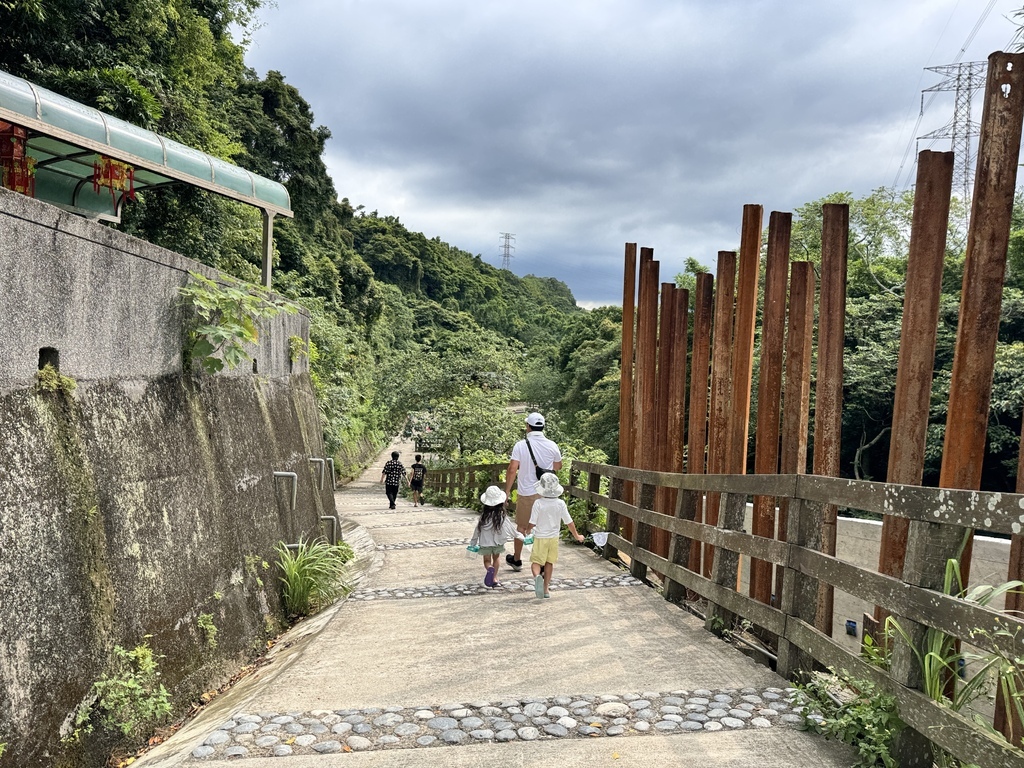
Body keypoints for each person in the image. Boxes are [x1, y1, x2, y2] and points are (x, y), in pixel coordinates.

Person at [503, 412, 562, 571]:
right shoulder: (552, 445)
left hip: (527, 493)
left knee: (522, 527)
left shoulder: (521, 445)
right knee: (543, 528)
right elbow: (558, 467)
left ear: (528, 426)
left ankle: (516, 560)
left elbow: (512, 469)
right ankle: (542, 562)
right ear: (542, 426)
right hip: (547, 493)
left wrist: (507, 492)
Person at [526, 471, 584, 598]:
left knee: (536, 562)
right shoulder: (560, 504)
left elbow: (532, 522)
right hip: (554, 538)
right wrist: (576, 535)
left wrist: (527, 530)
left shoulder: (538, 503)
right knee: (549, 563)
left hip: (541, 537)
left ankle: (537, 577)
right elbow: (569, 521)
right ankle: (546, 589)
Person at [468, 486, 522, 588]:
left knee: (487, 560)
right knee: (496, 558)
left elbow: (477, 531)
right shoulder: (502, 516)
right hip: (498, 543)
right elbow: (512, 531)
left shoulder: (483, 517)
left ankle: (489, 568)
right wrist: (522, 537)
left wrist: (473, 543)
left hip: (485, 543)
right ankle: (494, 578)